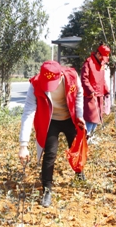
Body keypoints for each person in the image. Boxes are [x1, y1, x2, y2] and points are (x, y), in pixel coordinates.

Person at [18, 60, 85, 208]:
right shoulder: (35, 84)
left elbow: (79, 93)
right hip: (50, 121)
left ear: (60, 75)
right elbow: (28, 112)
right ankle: (47, 189)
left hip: (70, 118)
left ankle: (79, 173)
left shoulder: (72, 76)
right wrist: (23, 144)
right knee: (50, 154)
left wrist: (80, 115)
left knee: (76, 148)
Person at [81, 43, 111, 143]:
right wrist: (90, 90)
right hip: (90, 95)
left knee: (97, 118)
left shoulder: (101, 64)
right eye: (102, 57)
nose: (103, 60)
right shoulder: (88, 63)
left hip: (99, 94)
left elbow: (102, 79)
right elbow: (84, 79)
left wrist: (106, 91)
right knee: (90, 118)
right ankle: (86, 137)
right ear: (98, 54)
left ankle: (92, 136)